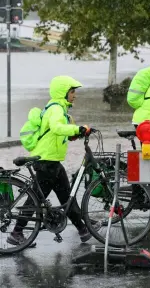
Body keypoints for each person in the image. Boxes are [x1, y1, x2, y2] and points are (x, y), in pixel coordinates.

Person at [7, 75, 100, 245]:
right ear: (63, 92)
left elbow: (56, 131)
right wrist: (78, 128)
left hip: (52, 161)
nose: (74, 95)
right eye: (72, 92)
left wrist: (76, 133)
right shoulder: (56, 108)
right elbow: (57, 128)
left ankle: (83, 229)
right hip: (46, 161)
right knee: (34, 199)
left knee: (66, 196)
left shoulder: (58, 108)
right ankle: (16, 232)